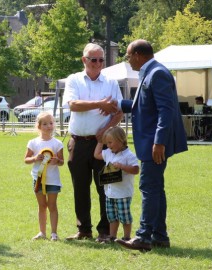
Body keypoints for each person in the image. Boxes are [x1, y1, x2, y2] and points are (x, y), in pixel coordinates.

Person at [110, 39, 188, 251]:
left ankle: (143, 237)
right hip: (151, 142)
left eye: (127, 56)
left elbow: (166, 110)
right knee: (156, 189)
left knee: (149, 188)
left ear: (137, 54)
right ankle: (159, 236)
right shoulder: (151, 72)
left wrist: (159, 142)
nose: (128, 61)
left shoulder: (157, 73)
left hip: (154, 143)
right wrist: (117, 104)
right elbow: (143, 106)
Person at [62, 43, 124, 242]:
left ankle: (105, 232)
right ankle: (84, 229)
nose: (98, 63)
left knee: (106, 188)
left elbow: (119, 111)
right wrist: (101, 104)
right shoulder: (74, 80)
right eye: (93, 59)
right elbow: (73, 105)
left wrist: (105, 132)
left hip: (105, 145)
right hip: (78, 143)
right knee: (80, 189)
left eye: (101, 60)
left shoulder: (111, 83)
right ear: (84, 60)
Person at [93, 126, 139, 244]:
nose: (108, 145)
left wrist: (122, 167)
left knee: (124, 217)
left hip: (123, 193)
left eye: (110, 142)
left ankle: (127, 237)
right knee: (112, 217)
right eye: (106, 143)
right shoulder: (109, 153)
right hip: (110, 192)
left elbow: (135, 170)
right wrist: (99, 142)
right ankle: (112, 237)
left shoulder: (129, 155)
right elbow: (97, 154)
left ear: (120, 140)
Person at [24, 111, 64, 241]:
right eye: (45, 124)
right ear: (39, 126)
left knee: (52, 205)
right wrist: (35, 158)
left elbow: (62, 162)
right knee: (42, 206)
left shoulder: (57, 144)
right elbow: (26, 159)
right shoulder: (33, 142)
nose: (49, 126)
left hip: (53, 180)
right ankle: (42, 232)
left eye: (51, 123)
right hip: (38, 179)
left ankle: (54, 233)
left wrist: (56, 161)